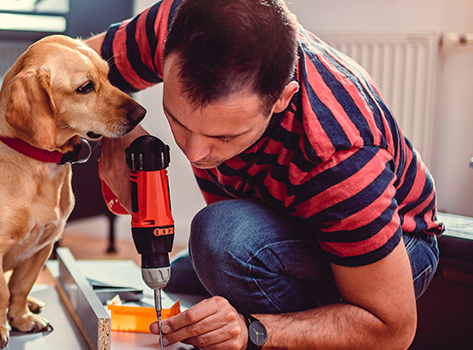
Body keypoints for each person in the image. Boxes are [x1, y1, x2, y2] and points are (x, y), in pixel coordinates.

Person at [84, 0, 444, 349]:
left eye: (224, 136)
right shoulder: (180, 23)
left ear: (282, 100)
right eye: (177, 120)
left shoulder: (338, 155)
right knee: (182, 281)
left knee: (222, 241)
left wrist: (253, 331)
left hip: (397, 249)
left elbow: (393, 328)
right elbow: (71, 62)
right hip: (280, 220)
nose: (193, 153)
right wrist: (120, 132)